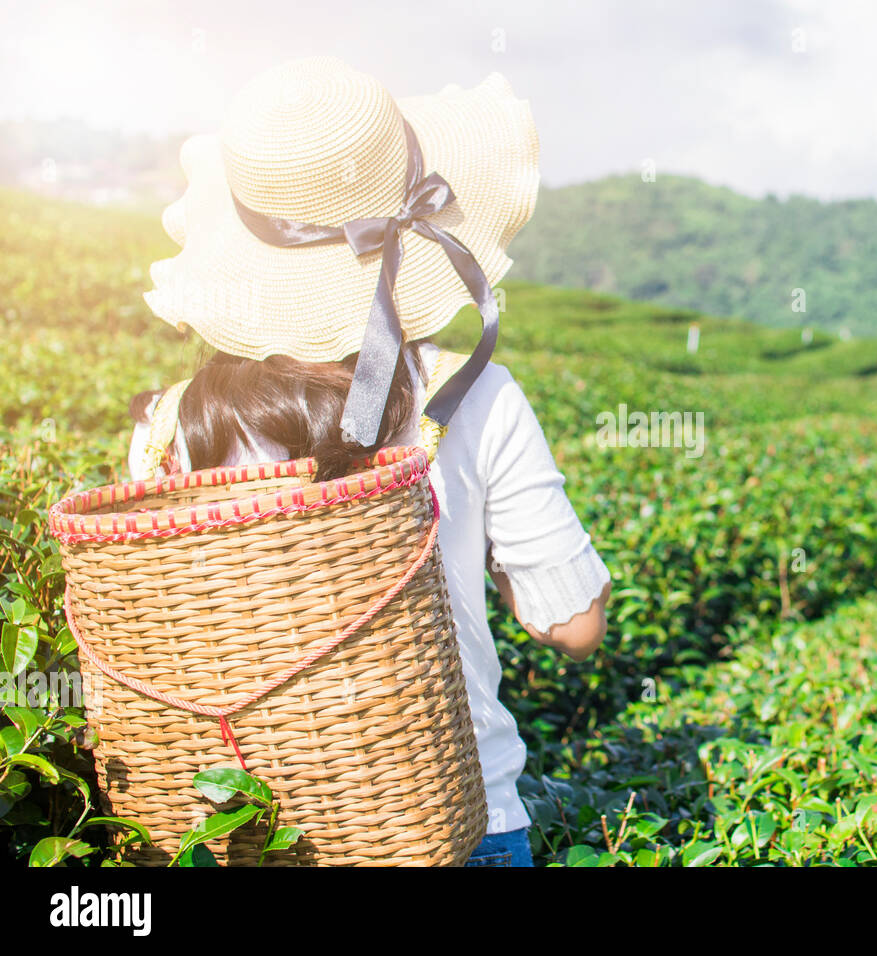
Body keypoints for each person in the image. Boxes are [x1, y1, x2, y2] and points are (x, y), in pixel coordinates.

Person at [127, 55, 611, 867]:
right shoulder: (473, 396)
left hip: (244, 827)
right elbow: (572, 627)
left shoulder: (175, 423)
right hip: (453, 816)